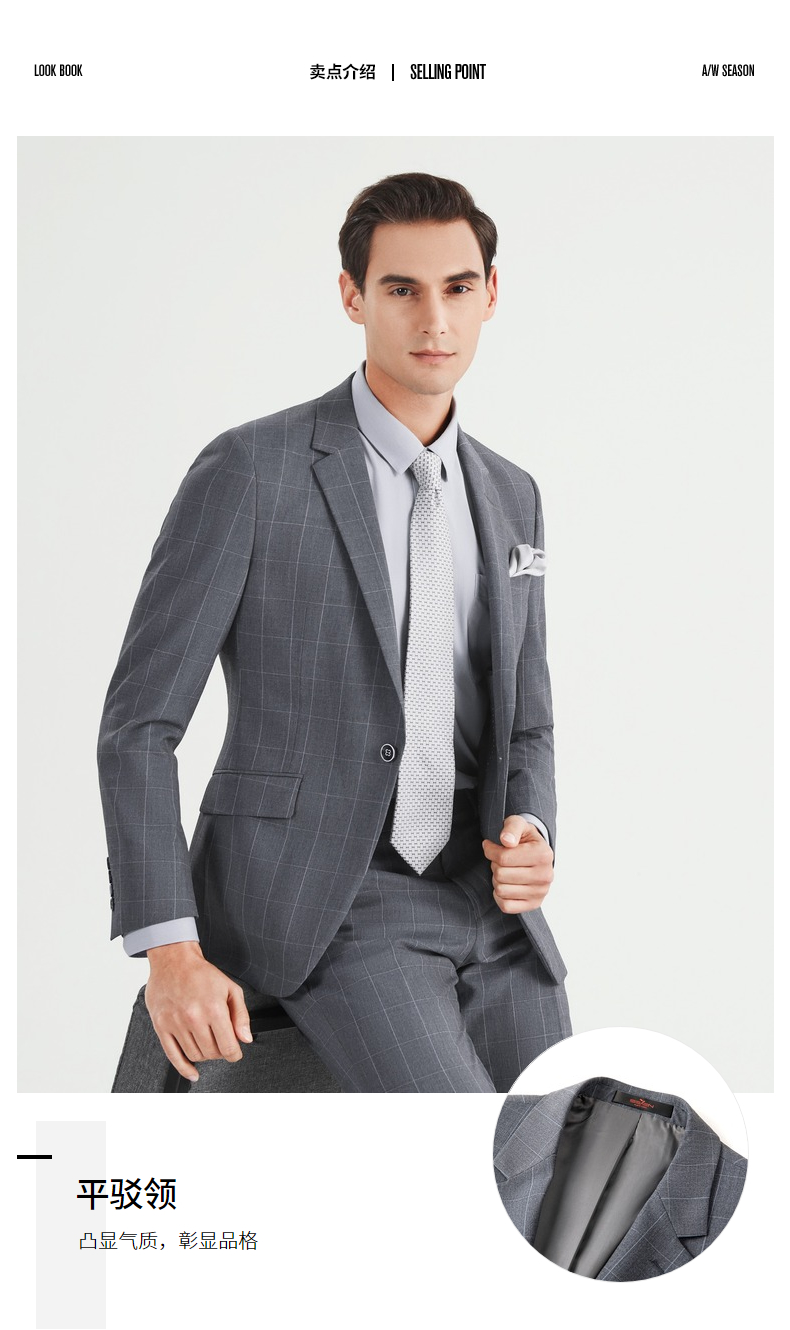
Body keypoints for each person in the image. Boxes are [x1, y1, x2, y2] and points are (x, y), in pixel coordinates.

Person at [97, 172, 572, 1093]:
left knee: (579, 1142)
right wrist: (169, 947)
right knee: (471, 1155)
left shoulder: (512, 494)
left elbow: (528, 720)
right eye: (402, 289)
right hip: (332, 896)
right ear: (353, 297)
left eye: (457, 288)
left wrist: (531, 822)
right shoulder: (252, 471)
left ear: (491, 294)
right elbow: (138, 727)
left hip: (491, 906)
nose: (434, 319)